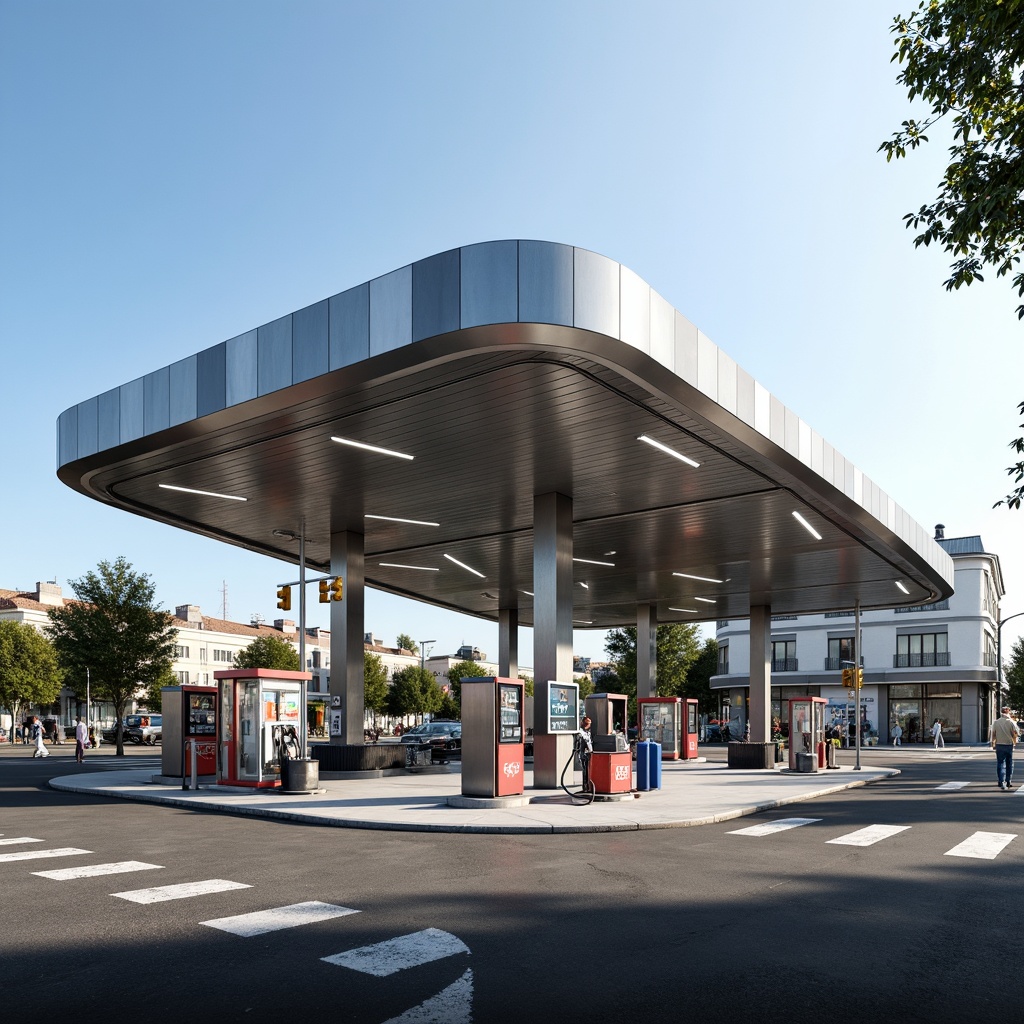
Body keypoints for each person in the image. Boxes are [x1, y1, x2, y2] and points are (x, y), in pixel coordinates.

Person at [989, 706, 1021, 791]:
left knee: (1000, 763)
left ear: (1001, 712)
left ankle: (1000, 781)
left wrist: (993, 744)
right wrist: (1015, 741)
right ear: (1008, 712)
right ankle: (1008, 781)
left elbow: (993, 734)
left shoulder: (996, 722)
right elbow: (1015, 733)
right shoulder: (1011, 722)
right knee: (1009, 763)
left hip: (999, 744)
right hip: (1009, 744)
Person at [578, 715, 593, 791]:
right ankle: (585, 787)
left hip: (587, 753)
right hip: (583, 754)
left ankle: (587, 786)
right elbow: (586, 742)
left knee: (587, 771)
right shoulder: (581, 733)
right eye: (589, 724)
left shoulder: (587, 732)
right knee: (585, 771)